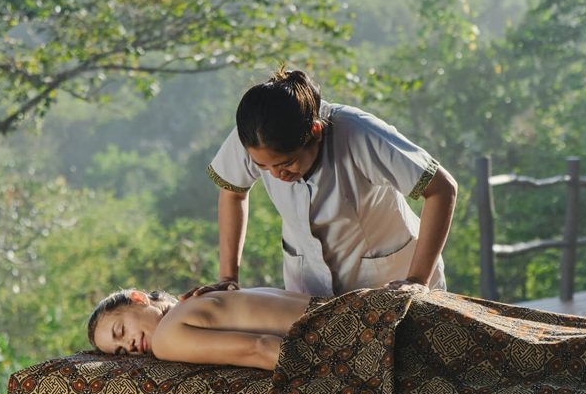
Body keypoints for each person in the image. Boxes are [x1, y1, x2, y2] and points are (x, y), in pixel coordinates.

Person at [189, 67, 457, 299]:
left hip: (391, 281)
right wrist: (228, 278)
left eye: (286, 163)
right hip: (309, 288)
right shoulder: (253, 135)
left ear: (315, 132)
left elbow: (442, 189)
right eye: (263, 167)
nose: (276, 175)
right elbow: (233, 193)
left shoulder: (360, 134)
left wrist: (417, 279)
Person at [88, 284, 337, 370]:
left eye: (120, 331)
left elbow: (259, 348)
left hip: (341, 336)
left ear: (138, 298)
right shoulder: (203, 295)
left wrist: (338, 372)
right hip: (347, 307)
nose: (129, 345)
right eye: (121, 351)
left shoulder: (166, 338)